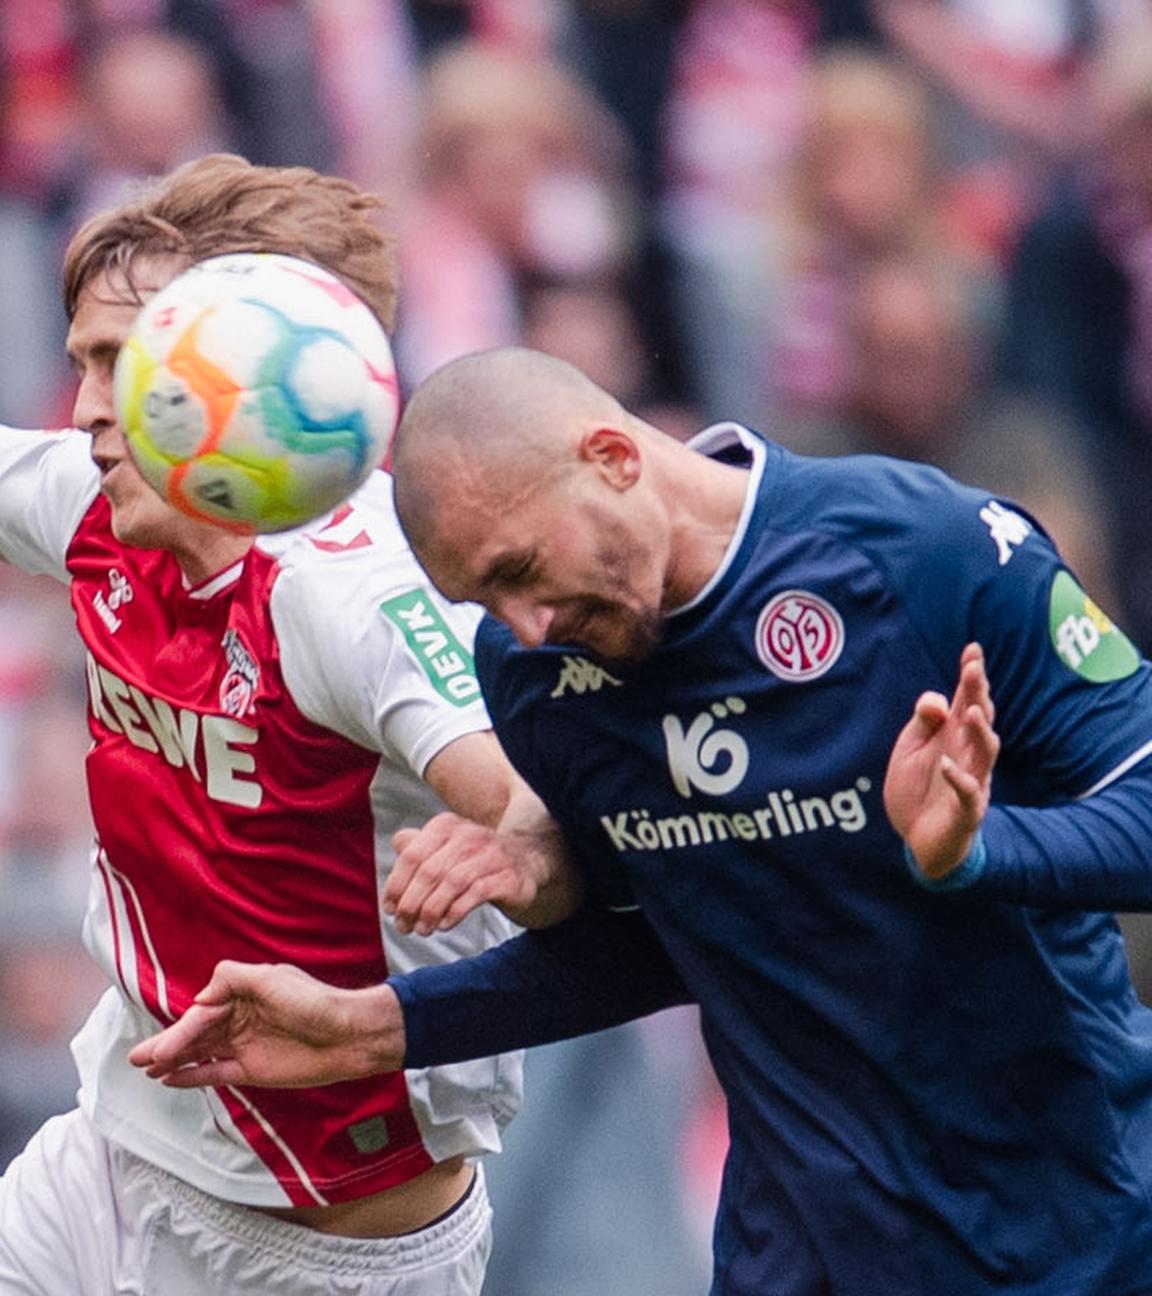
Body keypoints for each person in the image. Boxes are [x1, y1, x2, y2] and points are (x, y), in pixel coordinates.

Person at [133, 346, 1152, 1295]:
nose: (524, 626)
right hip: (803, 1250)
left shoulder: (927, 552)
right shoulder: (537, 680)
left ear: (614, 458)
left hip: (1069, 1225)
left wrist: (976, 852)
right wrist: (381, 1026)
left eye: (520, 570)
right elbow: (668, 945)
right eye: (484, 600)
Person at [0, 163, 578, 1296]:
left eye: (119, 365)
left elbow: (543, 831)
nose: (81, 413)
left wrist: (522, 845)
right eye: (82, 365)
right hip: (108, 1164)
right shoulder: (93, 501)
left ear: (241, 370)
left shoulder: (345, 595)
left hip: (326, 1255)